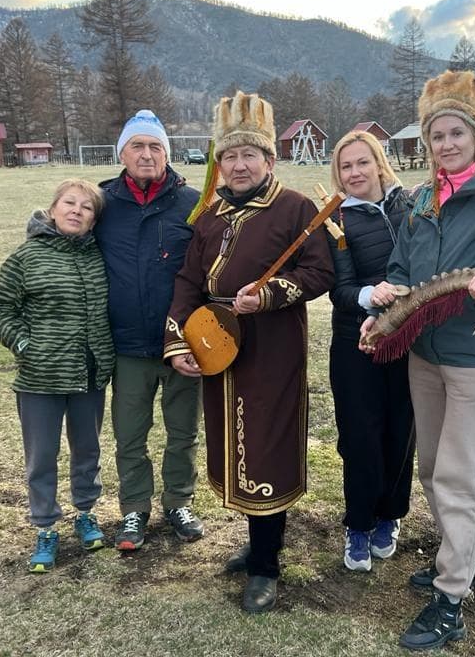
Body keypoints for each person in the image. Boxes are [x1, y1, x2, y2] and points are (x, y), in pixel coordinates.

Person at [361, 70, 475, 650]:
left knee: (460, 477)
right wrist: (388, 292)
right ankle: (461, 560)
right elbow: (403, 271)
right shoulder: (420, 201)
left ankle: (451, 597)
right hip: (425, 356)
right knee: (433, 468)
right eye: (437, 135)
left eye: (457, 133)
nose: (446, 144)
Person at [164, 91, 334, 613]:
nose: (238, 165)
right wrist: (179, 342)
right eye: (229, 156)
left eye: (249, 155)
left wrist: (270, 293)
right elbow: (189, 280)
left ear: (269, 159)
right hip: (217, 346)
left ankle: (266, 565)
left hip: (272, 350)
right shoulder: (209, 215)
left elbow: (319, 272)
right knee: (233, 447)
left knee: (265, 448)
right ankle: (259, 542)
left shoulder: (295, 208)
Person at [0, 179, 115, 573]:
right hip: (40, 378)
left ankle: (86, 512)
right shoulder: (26, 257)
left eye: (86, 207)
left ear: (94, 220)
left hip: (89, 375)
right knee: (42, 457)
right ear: (53, 209)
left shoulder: (99, 257)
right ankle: (44, 526)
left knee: (87, 450)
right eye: (69, 203)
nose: (77, 211)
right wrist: (26, 347)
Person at [95, 110, 205, 550]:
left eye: (155, 146)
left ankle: (178, 499)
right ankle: (134, 509)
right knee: (130, 433)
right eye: (137, 146)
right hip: (126, 345)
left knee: (183, 430)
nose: (146, 154)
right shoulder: (103, 202)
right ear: (122, 153)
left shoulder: (192, 203)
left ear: (167, 154)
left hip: (179, 342)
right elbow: (64, 230)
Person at [326, 130, 415, 573]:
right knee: (359, 436)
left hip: (407, 339)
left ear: (380, 163)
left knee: (400, 431)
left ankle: (389, 516)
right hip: (354, 343)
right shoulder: (336, 218)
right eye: (346, 166)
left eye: (363, 162)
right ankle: (358, 523)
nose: (355, 172)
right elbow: (338, 290)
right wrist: (369, 294)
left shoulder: (411, 207)